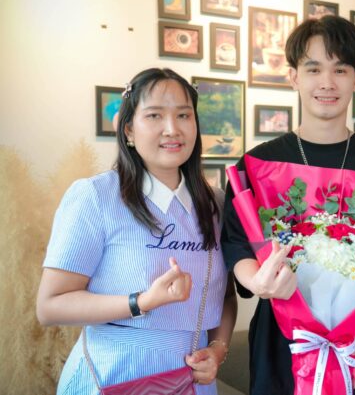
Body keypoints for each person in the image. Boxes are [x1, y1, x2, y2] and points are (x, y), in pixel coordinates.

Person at [221, 15, 355, 395]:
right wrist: (259, 282)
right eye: (314, 69)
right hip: (280, 347)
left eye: (340, 69)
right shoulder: (259, 164)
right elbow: (235, 244)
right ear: (294, 76)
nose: (327, 82)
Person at [36, 68, 237, 395]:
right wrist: (141, 301)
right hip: (114, 375)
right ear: (128, 129)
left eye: (183, 115)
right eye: (154, 115)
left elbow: (225, 297)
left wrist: (217, 350)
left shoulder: (216, 204)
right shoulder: (95, 196)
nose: (172, 129)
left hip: (193, 380)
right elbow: (50, 306)